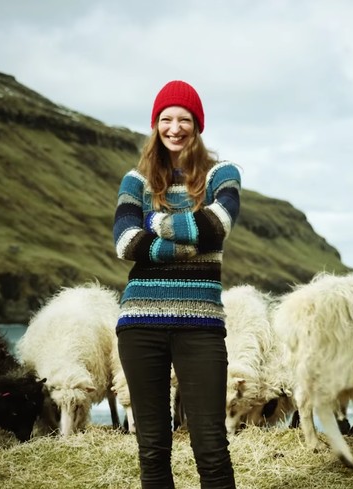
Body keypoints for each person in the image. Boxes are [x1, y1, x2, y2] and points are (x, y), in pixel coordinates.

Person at [112, 79, 240, 489]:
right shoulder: (136, 181)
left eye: (184, 119)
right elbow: (126, 243)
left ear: (197, 125)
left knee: (211, 445)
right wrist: (191, 245)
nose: (175, 127)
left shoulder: (223, 174)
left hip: (200, 325)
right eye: (166, 118)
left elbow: (218, 224)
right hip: (139, 324)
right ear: (155, 124)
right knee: (152, 447)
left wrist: (157, 223)